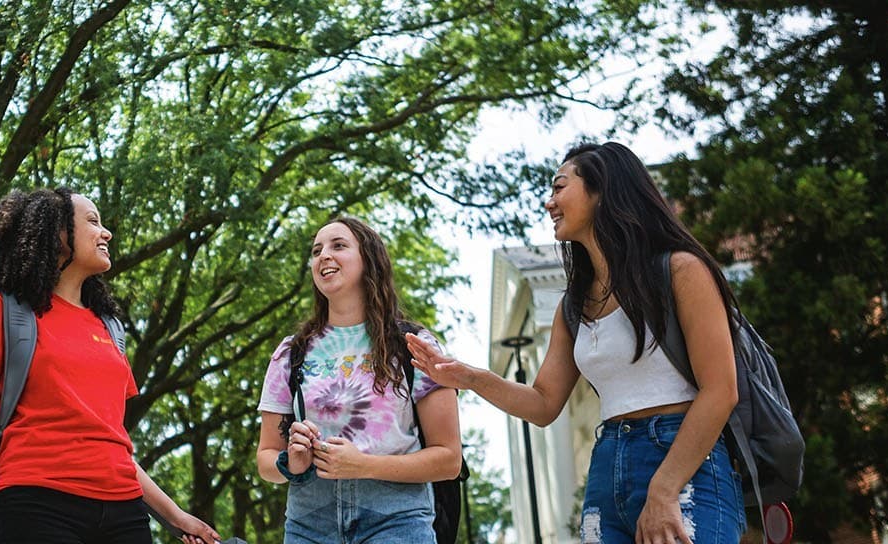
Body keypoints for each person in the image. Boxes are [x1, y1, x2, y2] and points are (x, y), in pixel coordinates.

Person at [408, 142, 746, 543]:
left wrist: (664, 488)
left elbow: (721, 390)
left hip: (683, 461)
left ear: (601, 189)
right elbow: (543, 403)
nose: (550, 203)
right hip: (607, 464)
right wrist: (469, 377)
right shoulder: (574, 304)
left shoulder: (680, 270)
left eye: (560, 187)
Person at [0, 187, 221, 544]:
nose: (106, 233)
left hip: (124, 513)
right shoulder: (4, 312)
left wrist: (177, 516)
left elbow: (112, 444)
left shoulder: (110, 328)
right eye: (92, 221)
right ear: (58, 234)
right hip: (34, 503)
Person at [255, 216, 463, 543]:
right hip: (309, 523)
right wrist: (291, 463)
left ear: (370, 260)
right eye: (316, 250)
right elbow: (266, 458)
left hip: (396, 519)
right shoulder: (290, 353)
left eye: (338, 246)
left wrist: (363, 465)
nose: (324, 255)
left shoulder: (415, 346)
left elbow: (448, 459)